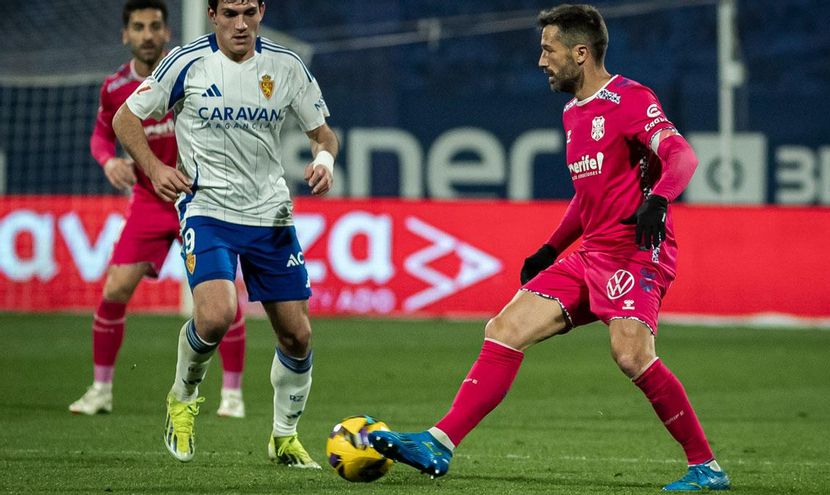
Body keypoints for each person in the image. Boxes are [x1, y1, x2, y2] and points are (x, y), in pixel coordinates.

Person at [369, 4, 731, 491]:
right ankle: (439, 442)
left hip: (635, 253)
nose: (541, 61)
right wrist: (551, 247)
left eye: (548, 50)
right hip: (589, 256)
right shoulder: (572, 113)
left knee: (631, 355)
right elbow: (587, 197)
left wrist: (660, 200)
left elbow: (682, 154)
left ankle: (706, 467)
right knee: (504, 327)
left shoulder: (629, 98)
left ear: (580, 53)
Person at [112, 0, 338, 466]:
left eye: (250, 12)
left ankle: (284, 437)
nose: (241, 24)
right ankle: (183, 396)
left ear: (262, 12)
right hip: (207, 208)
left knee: (296, 336)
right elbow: (124, 118)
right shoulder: (186, 61)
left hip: (270, 214)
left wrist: (324, 160)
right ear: (212, 14)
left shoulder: (285, 66)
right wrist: (154, 168)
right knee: (216, 316)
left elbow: (323, 133)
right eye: (230, 12)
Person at [70, 0, 248, 420]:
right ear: (125, 35)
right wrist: (109, 161)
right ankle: (100, 390)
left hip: (202, 201)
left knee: (223, 303)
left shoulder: (194, 71)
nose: (147, 34)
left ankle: (233, 395)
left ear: (168, 33)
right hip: (151, 203)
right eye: (138, 27)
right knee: (114, 291)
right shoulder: (115, 88)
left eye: (154, 26)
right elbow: (101, 136)